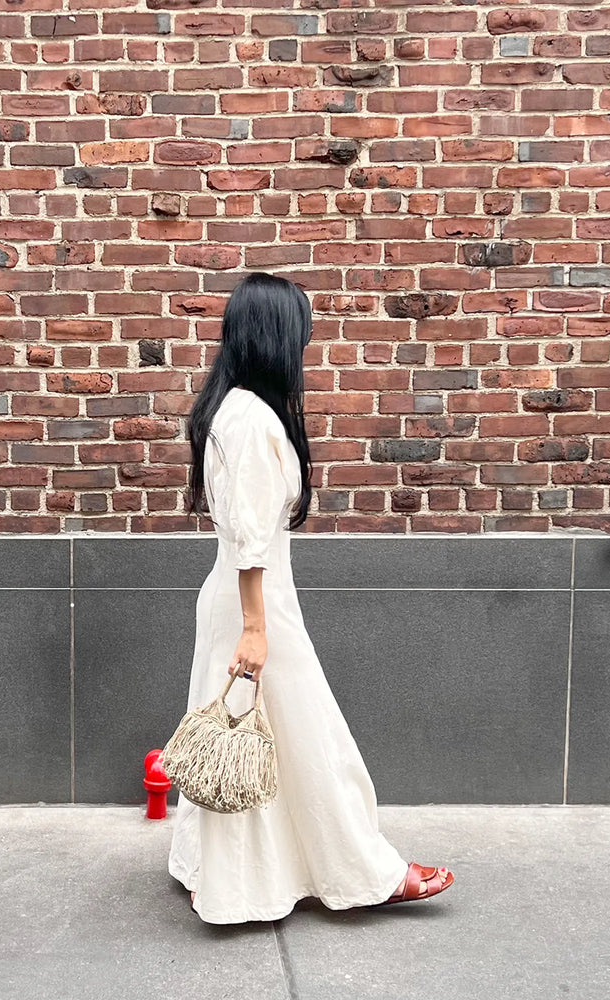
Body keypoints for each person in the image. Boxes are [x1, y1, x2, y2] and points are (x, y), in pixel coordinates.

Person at [166, 270, 454, 924]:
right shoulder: (248, 421)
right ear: (276, 336)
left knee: (261, 742)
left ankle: (218, 874)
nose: (305, 348)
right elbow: (247, 537)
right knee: (305, 741)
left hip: (253, 607)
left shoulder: (237, 411)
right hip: (256, 610)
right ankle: (367, 871)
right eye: (300, 334)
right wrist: (256, 629)